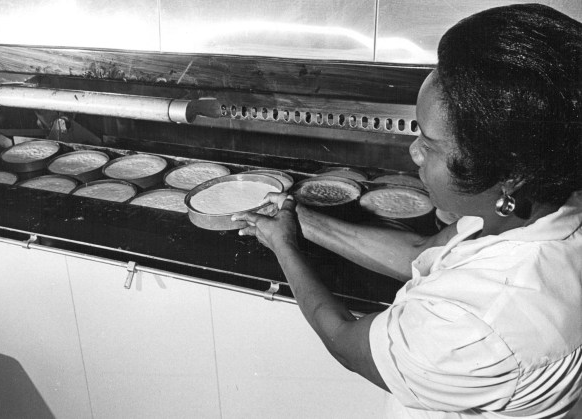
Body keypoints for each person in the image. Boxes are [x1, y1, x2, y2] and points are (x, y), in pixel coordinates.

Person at [232, 3, 582, 418]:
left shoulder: (475, 324)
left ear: (509, 177)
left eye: (430, 144)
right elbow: (424, 251)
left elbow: (345, 340)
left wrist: (285, 248)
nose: (413, 152)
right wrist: (304, 222)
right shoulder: (540, 208)